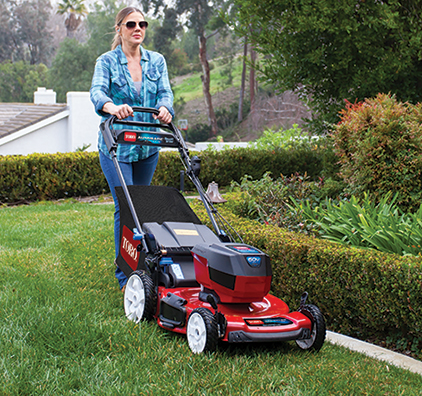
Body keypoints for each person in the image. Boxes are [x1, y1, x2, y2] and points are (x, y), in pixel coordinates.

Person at [90, 6, 174, 291]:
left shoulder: (157, 61)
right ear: (119, 29)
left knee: (143, 207)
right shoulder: (107, 62)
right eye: (130, 24)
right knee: (126, 208)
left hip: (147, 146)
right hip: (117, 146)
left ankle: (144, 266)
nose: (137, 28)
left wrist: (165, 108)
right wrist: (113, 107)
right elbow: (97, 93)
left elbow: (165, 92)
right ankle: (125, 275)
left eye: (142, 24)